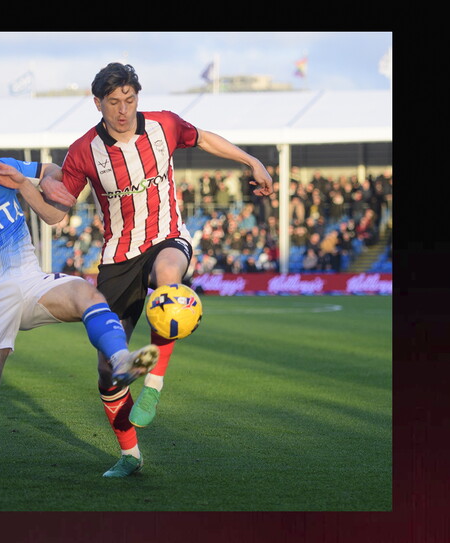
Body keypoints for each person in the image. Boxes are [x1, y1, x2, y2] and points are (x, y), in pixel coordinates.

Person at [39, 62, 273, 477]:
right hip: (118, 257)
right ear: (98, 103)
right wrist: (27, 186)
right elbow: (57, 215)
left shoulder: (164, 126)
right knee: (108, 373)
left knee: (169, 283)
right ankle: (130, 455)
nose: (123, 109)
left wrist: (249, 159)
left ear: (137, 98)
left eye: (129, 100)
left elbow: (204, 139)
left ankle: (154, 386)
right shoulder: (83, 151)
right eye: (113, 102)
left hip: (168, 237)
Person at [0, 115, 159, 478]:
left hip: (32, 282)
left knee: (87, 294)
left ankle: (121, 360)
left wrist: (44, 179)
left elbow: (52, 168)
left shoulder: (1, 169)